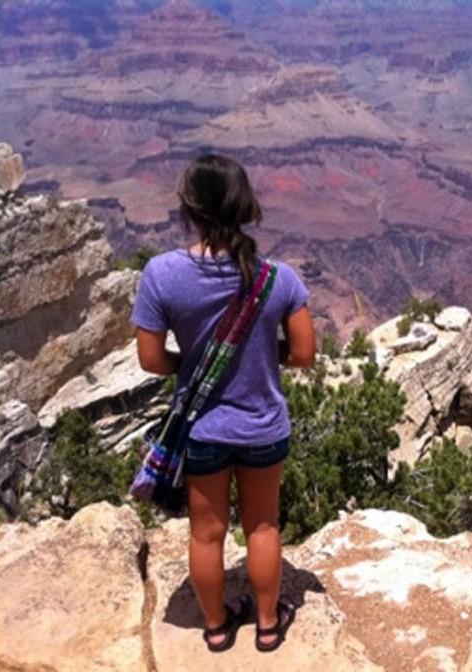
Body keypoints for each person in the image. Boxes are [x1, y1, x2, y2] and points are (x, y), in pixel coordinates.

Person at [130, 154, 316, 653]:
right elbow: (304, 354)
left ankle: (215, 628)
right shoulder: (280, 278)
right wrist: (260, 356)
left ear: (188, 207)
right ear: (246, 205)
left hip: (203, 430)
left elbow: (150, 360)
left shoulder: (161, 275)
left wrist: (194, 362)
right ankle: (268, 624)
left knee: (206, 534)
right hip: (263, 427)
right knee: (263, 524)